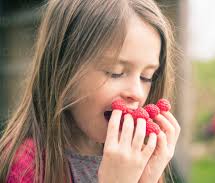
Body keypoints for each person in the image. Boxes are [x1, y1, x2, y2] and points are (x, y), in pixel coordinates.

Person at [0, 0, 182, 182]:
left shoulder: (138, 160)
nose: (137, 93)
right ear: (63, 70)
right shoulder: (25, 169)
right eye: (115, 73)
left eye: (146, 77)